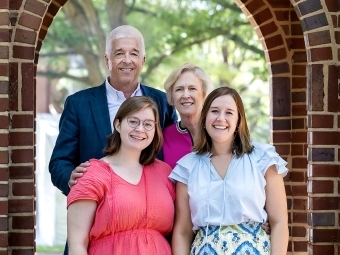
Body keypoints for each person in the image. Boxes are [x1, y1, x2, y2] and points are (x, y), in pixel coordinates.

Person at [49, 25, 177, 196]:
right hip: (98, 207)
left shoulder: (163, 102)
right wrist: (70, 179)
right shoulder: (78, 104)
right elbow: (60, 161)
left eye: (134, 53)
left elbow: (173, 152)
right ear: (107, 60)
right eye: (119, 53)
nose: (127, 60)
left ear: (143, 60)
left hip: (152, 204)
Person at [170, 86, 289, 254]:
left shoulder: (262, 159)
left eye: (229, 113)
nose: (221, 118)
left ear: (239, 120)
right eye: (215, 111)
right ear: (204, 118)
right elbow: (183, 231)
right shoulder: (187, 167)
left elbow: (279, 222)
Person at [67, 96, 175, 255]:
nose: (140, 129)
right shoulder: (92, 174)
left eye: (148, 124)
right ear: (118, 124)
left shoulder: (165, 173)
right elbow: (77, 245)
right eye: (133, 121)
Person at [162, 63, 213, 168]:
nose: (185, 95)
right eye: (179, 89)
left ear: (204, 94)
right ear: (172, 96)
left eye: (192, 88)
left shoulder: (218, 130)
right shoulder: (164, 136)